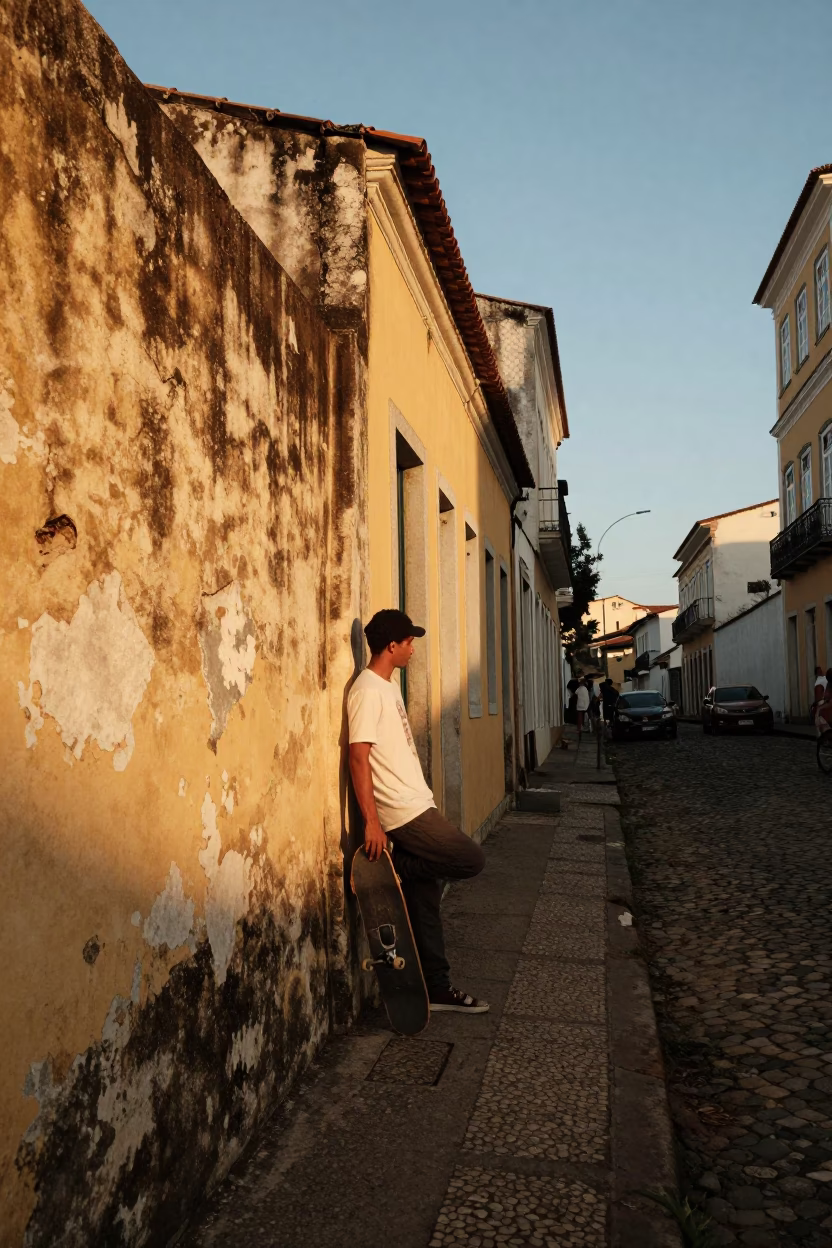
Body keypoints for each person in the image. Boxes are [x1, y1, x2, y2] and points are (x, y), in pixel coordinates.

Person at [348, 609, 489, 1014]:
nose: (413, 648)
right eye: (409, 641)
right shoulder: (367, 690)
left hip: (417, 803)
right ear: (391, 645)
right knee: (470, 859)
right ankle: (398, 869)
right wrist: (373, 823)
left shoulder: (389, 688)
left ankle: (437, 989)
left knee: (424, 907)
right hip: (403, 814)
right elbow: (358, 758)